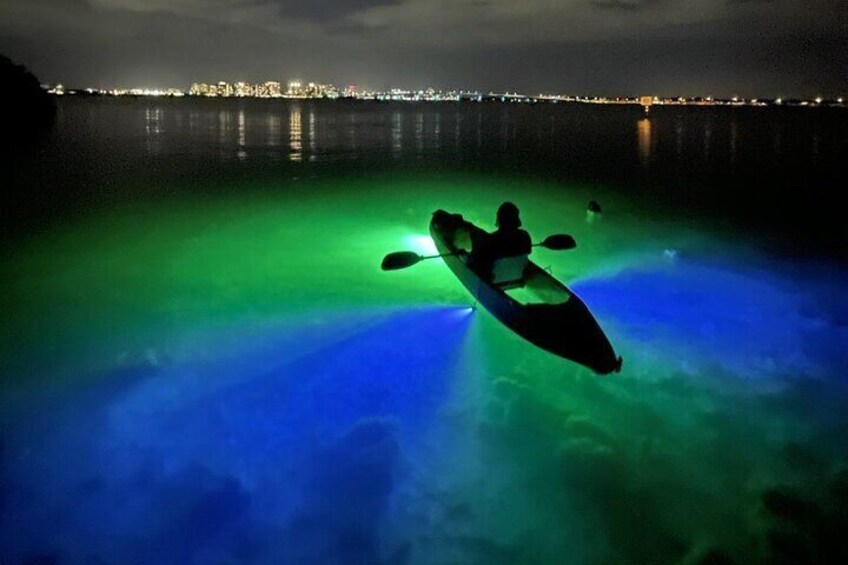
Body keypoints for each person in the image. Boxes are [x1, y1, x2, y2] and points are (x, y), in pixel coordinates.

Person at [467, 202, 532, 282]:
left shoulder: (494, 240)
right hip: (517, 275)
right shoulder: (524, 236)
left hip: (495, 276)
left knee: (479, 253)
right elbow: (528, 250)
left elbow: (487, 249)